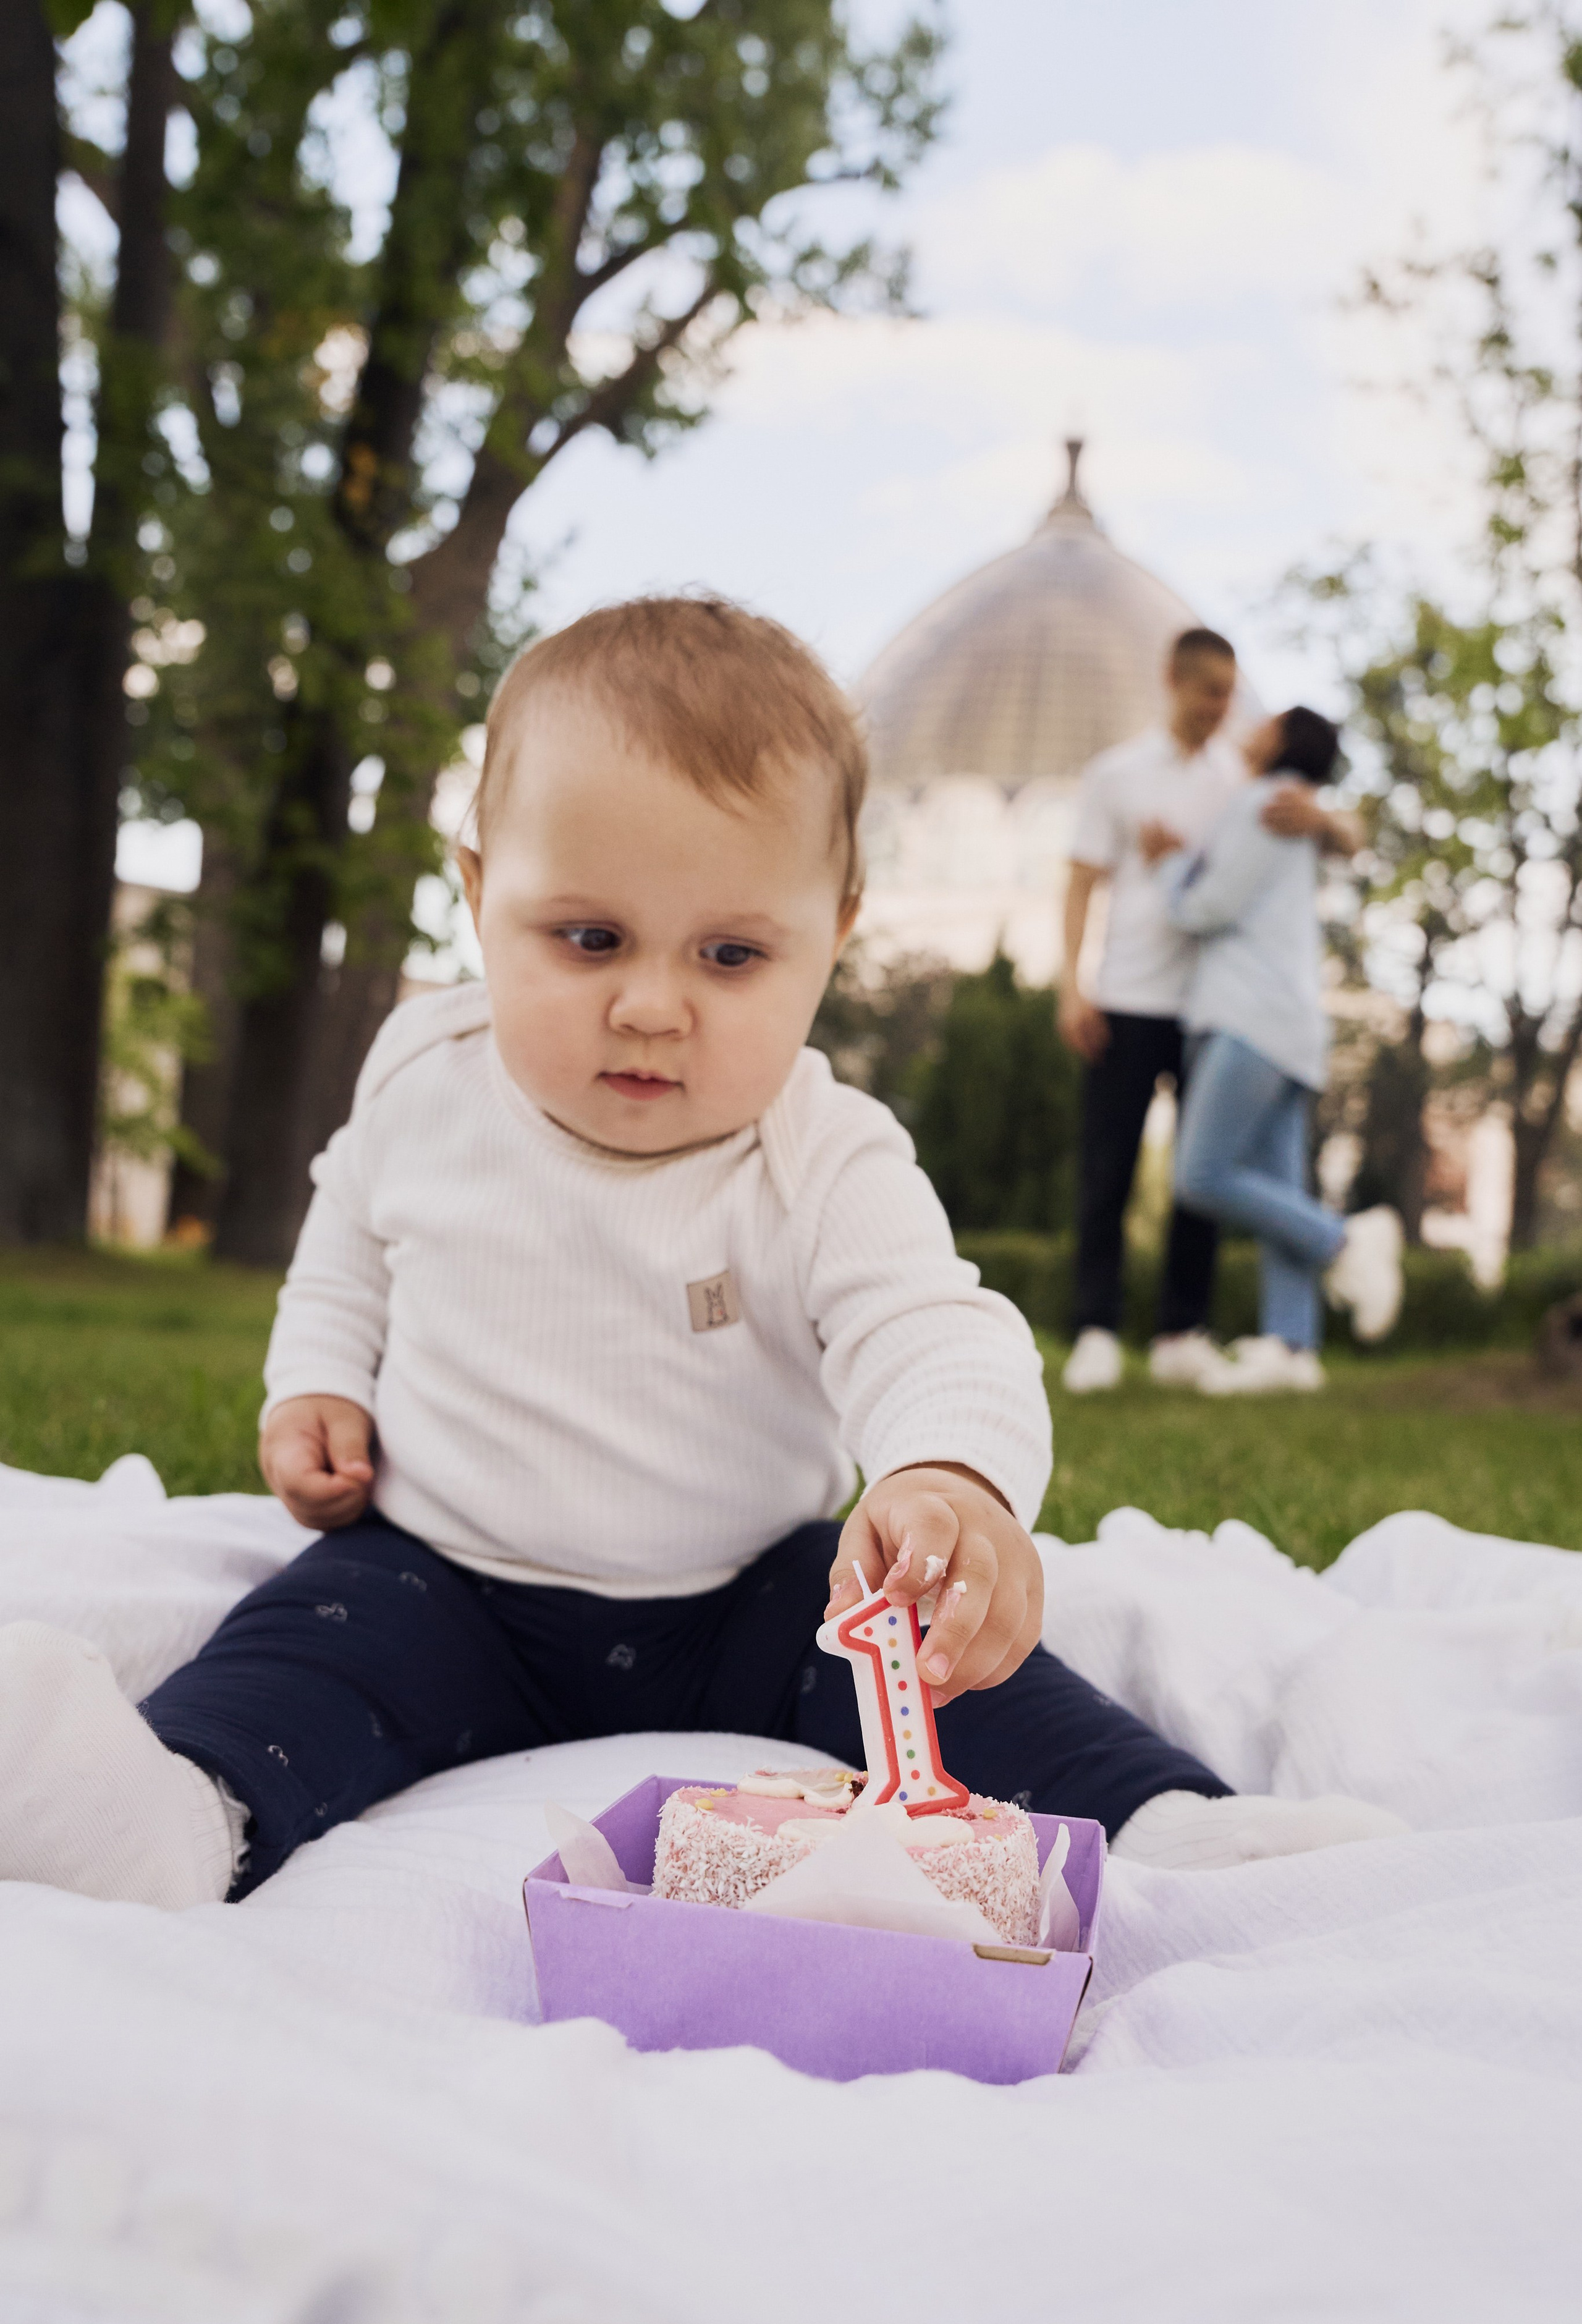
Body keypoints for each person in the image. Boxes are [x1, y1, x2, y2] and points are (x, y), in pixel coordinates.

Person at [0, 600, 1403, 1903]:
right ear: (479, 893)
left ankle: (1157, 1820)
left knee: (936, 1667)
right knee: (302, 1649)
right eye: (589, 937)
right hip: (443, 1570)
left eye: (730, 956)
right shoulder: (424, 1071)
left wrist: (947, 1474)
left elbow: (929, 1327)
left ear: (831, 938)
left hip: (749, 1594)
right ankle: (166, 1814)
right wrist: (314, 1380)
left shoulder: (824, 1152)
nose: (652, 1007)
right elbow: (348, 1237)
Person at [1059, 629, 1364, 1394]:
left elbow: (1332, 831)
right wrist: (1071, 984)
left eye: (1231, 695)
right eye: (1212, 693)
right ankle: (1095, 1332)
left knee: (1200, 1186)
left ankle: (1180, 1333)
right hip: (1129, 995)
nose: (1225, 709)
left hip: (1208, 1006)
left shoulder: (1241, 776)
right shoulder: (1117, 774)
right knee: (1108, 1171)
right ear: (1174, 680)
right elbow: (1080, 880)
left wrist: (1329, 822)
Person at [1158, 705, 1403, 1393]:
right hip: (1291, 1025)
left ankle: (1344, 1241)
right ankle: (1292, 1349)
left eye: (1268, 722)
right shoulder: (1301, 812)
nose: (1254, 724)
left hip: (1248, 1018)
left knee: (1200, 1174)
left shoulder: (1265, 803)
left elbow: (1206, 908)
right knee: (1277, 1183)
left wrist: (1168, 866)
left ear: (1283, 741)